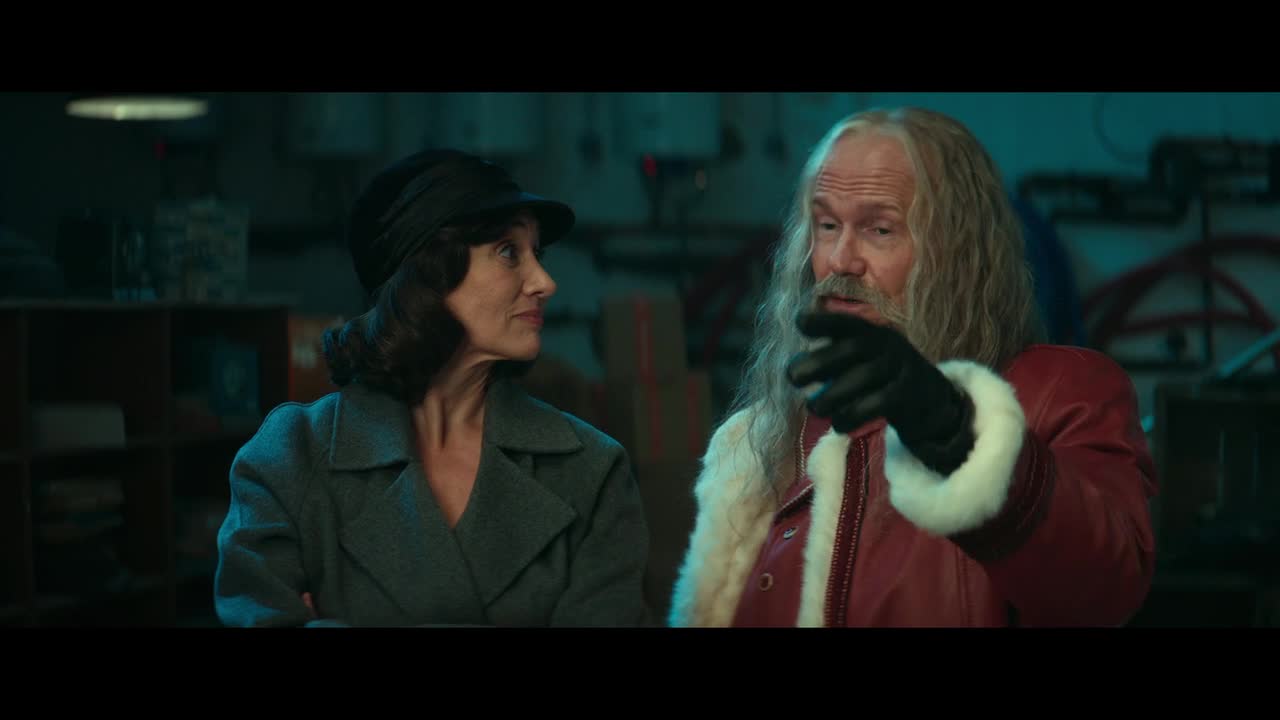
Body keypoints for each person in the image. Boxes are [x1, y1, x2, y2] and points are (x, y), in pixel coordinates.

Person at [668, 107, 1158, 627]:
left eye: (880, 230)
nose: (841, 260)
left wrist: (958, 436)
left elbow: (1106, 589)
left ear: (957, 252)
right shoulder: (759, 441)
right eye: (827, 225)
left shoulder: (1057, 393)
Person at [215, 149, 652, 627]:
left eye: (537, 254)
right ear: (429, 275)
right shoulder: (291, 455)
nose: (545, 282)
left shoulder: (592, 469)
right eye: (508, 252)